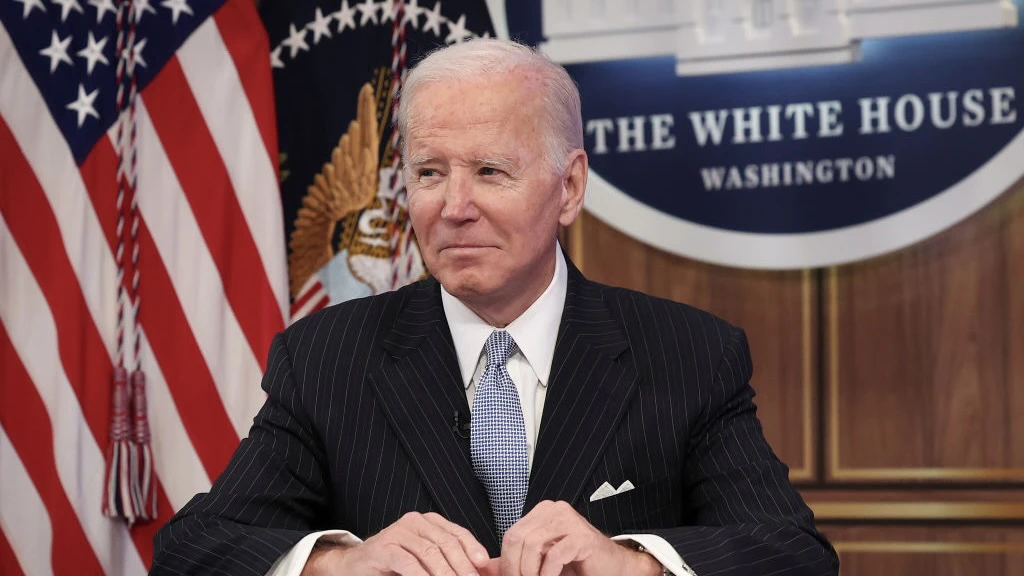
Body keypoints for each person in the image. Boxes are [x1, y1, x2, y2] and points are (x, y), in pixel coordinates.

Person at [152, 39, 839, 576]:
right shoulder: (325, 357)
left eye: (489, 172)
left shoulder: (688, 354)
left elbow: (794, 555)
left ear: (568, 188)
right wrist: (342, 562)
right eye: (428, 173)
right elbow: (193, 550)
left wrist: (631, 563)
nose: (453, 208)